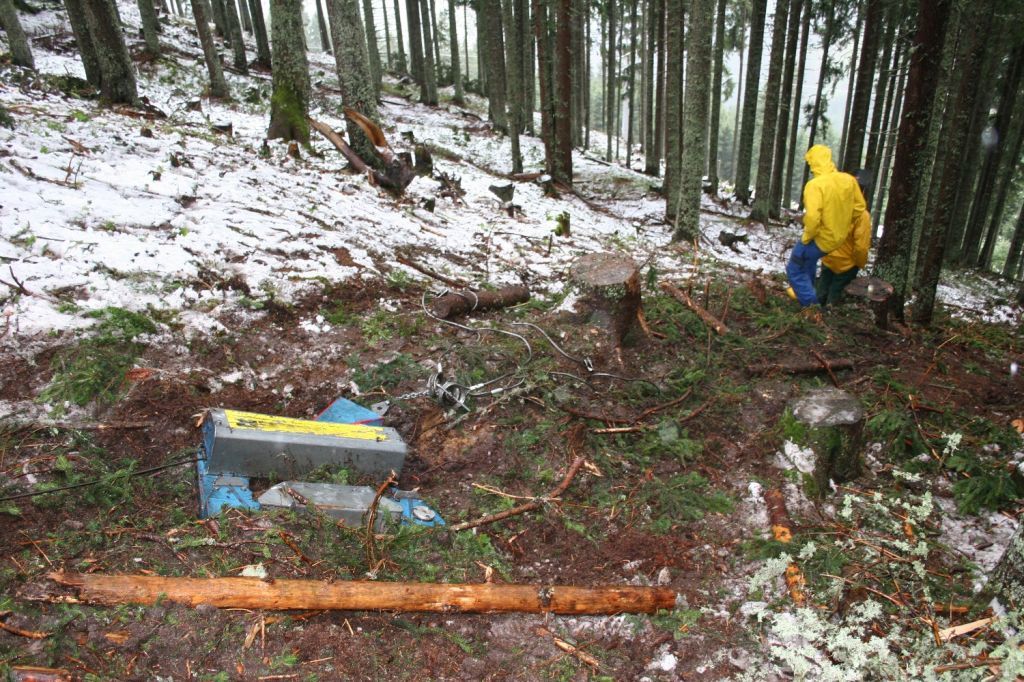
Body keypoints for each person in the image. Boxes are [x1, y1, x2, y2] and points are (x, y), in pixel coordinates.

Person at [785, 145, 867, 307]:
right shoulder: (848, 180)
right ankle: (807, 291)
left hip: (821, 238)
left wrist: (807, 237)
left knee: (795, 267)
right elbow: (859, 207)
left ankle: (811, 306)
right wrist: (841, 222)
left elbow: (813, 218)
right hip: (838, 239)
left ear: (813, 162)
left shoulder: (815, 185)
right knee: (808, 261)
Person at [816, 170, 872, 306]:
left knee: (821, 291)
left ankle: (813, 312)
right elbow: (861, 247)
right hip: (846, 264)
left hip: (828, 257)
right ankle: (829, 313)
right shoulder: (862, 216)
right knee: (835, 297)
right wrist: (860, 263)